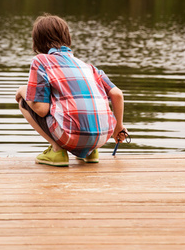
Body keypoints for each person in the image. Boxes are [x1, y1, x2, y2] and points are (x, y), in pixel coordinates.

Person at [15, 14, 126, 167]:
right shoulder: (89, 67)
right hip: (101, 138)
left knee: (24, 101)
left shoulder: (41, 61)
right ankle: (91, 152)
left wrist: (23, 91)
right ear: (67, 38)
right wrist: (118, 128)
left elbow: (41, 110)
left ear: (37, 42)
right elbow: (117, 94)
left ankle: (57, 151)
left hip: (70, 137)